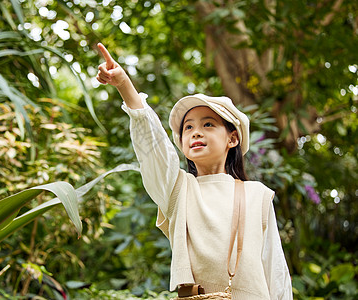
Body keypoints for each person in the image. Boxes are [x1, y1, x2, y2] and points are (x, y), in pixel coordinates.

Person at [96, 43, 293, 300]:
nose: (195, 132)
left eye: (208, 124)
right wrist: (124, 85)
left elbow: (275, 270)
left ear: (232, 139)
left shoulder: (257, 195)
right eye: (188, 128)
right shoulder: (177, 190)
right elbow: (153, 147)